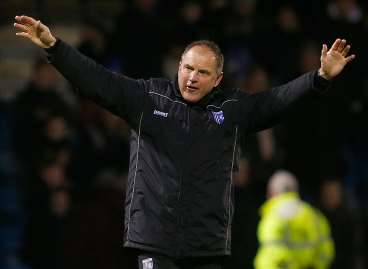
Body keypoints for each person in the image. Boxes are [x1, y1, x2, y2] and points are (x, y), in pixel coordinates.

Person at [13, 15, 355, 269]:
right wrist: (54, 48)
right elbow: (98, 82)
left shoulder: (233, 108)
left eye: (202, 72)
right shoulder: (148, 98)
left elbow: (278, 101)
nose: (192, 77)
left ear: (217, 78)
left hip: (205, 244)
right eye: (187, 68)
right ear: (178, 66)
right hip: (154, 241)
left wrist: (320, 77)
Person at [254, 170, 335, 269]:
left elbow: (272, 249)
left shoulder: (273, 215)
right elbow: (326, 250)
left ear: (271, 191)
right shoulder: (313, 214)